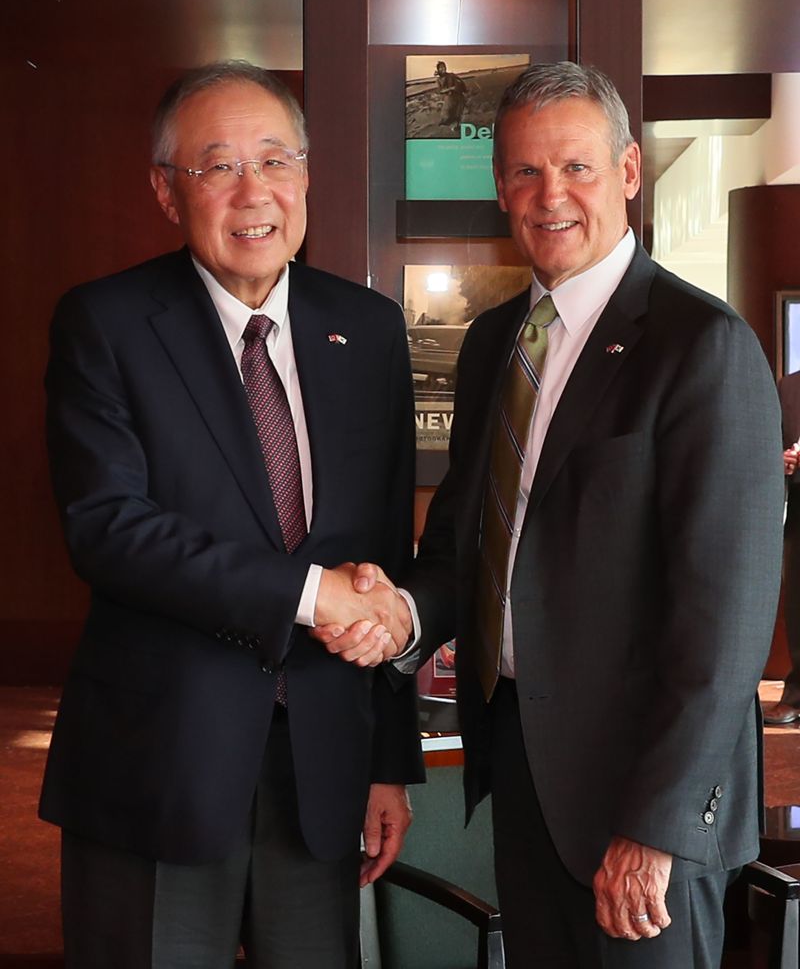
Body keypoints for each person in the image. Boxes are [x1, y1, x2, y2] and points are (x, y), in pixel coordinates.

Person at [318, 61, 786, 967]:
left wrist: (654, 825)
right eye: (526, 172)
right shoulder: (499, 340)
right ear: (499, 188)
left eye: (575, 167)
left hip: (643, 797)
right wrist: (404, 611)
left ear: (627, 173)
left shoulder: (703, 345)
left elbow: (723, 625)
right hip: (527, 769)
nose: (550, 194)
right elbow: (467, 538)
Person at [41, 59, 423, 969]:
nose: (254, 191)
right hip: (156, 768)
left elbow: (381, 553)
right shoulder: (107, 322)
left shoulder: (365, 328)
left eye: (275, 159)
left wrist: (389, 760)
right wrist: (307, 594)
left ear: (305, 175)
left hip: (323, 768)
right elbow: (109, 527)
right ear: (166, 191)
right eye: (216, 165)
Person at [763, 368, 800, 724]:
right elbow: (768, 444)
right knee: (798, 607)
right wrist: (782, 462)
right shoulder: (788, 387)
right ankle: (797, 694)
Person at [435, 60, 467, 131]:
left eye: (444, 67)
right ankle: (452, 126)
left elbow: (460, 82)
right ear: (438, 69)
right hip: (449, 98)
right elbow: (440, 91)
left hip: (459, 96)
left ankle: (457, 126)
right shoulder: (438, 80)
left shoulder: (451, 75)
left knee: (458, 112)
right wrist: (450, 88)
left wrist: (462, 89)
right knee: (449, 113)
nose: (443, 68)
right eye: (441, 67)